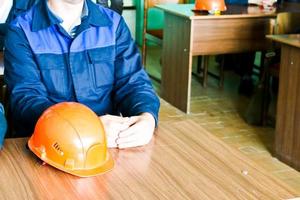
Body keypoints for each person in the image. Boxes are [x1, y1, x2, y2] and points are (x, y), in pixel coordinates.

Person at [4, 0, 160, 149]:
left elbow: (134, 83)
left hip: (109, 147)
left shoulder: (114, 24)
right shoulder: (21, 30)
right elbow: (26, 99)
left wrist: (146, 116)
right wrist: (89, 128)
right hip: (49, 147)